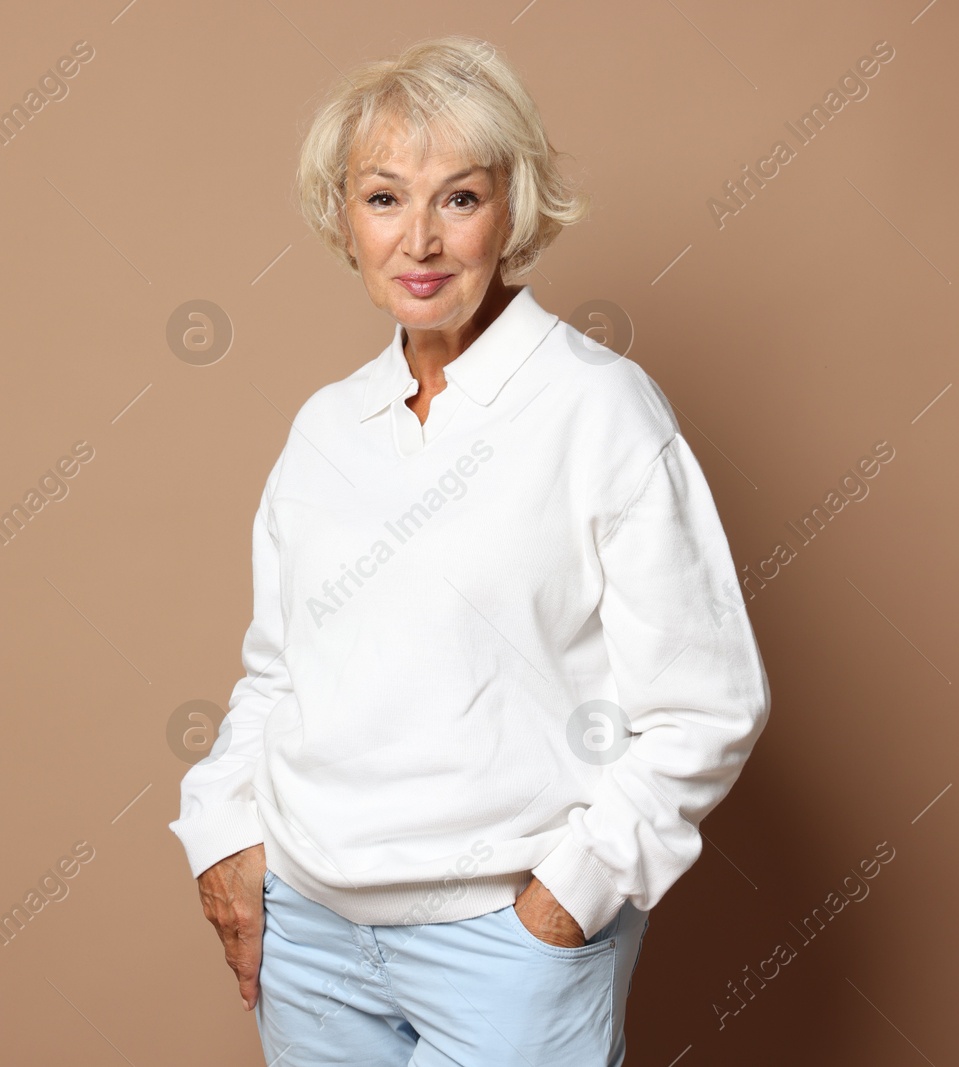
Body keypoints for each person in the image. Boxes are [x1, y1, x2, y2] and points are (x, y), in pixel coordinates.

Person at [168, 34, 771, 1065]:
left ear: (513, 209)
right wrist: (222, 832)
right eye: (384, 198)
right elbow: (276, 674)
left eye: (458, 197)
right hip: (308, 939)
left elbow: (706, 703)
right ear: (344, 218)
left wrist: (565, 903)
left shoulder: (599, 410)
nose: (420, 241)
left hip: (505, 943)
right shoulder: (325, 427)